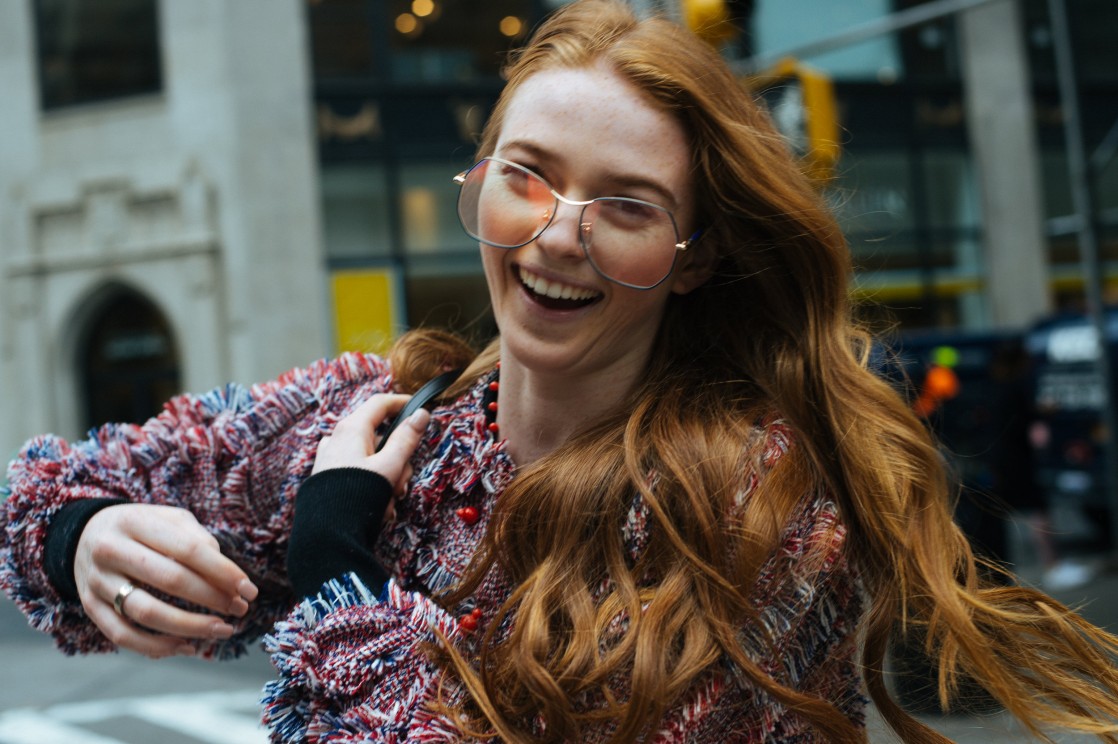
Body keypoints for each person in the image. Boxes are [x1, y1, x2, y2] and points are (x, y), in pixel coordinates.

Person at [3, 2, 1118, 741]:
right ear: (480, 183)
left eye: (624, 206)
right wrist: (85, 541)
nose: (555, 236)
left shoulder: (761, 514)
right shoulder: (382, 418)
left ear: (695, 259)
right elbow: (37, 491)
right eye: (526, 179)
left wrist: (339, 572)